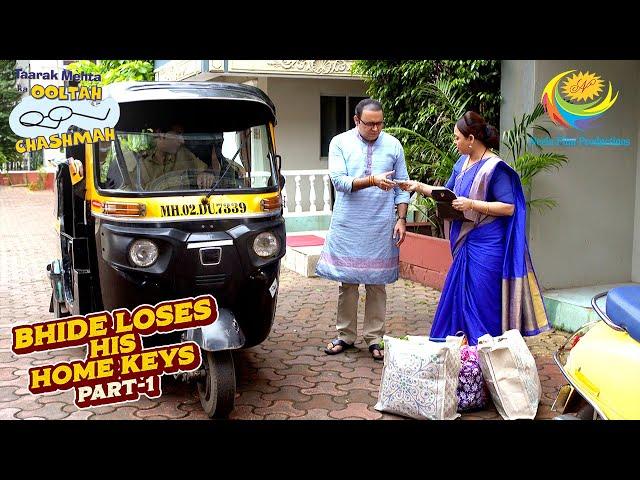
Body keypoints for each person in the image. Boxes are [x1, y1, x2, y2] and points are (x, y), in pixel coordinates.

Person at [397, 111, 550, 345]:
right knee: (459, 297)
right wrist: (417, 186)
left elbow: (509, 207)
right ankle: (462, 351)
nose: (454, 142)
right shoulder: (462, 163)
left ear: (471, 139)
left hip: (488, 244)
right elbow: (445, 194)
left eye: (457, 138)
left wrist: (472, 204)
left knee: (482, 299)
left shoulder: (495, 168)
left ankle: (487, 351)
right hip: (465, 241)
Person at [315, 99, 410, 361]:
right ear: (356, 120)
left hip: (381, 224)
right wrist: (371, 180)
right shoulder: (340, 142)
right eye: (369, 124)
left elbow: (402, 185)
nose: (375, 129)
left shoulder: (393, 145)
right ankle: (345, 335)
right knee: (348, 283)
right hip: (348, 223)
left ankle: (375, 338)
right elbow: (339, 181)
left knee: (377, 284)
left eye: (379, 123)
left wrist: (401, 219)